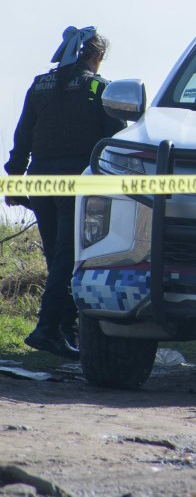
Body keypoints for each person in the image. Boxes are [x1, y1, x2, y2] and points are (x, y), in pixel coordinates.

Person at [4, 26, 123, 360]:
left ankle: (64, 332)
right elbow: (115, 142)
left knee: (57, 257)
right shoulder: (100, 87)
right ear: (97, 56)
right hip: (75, 182)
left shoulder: (40, 84)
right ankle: (46, 330)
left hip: (39, 179)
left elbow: (22, 137)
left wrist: (15, 182)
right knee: (69, 259)